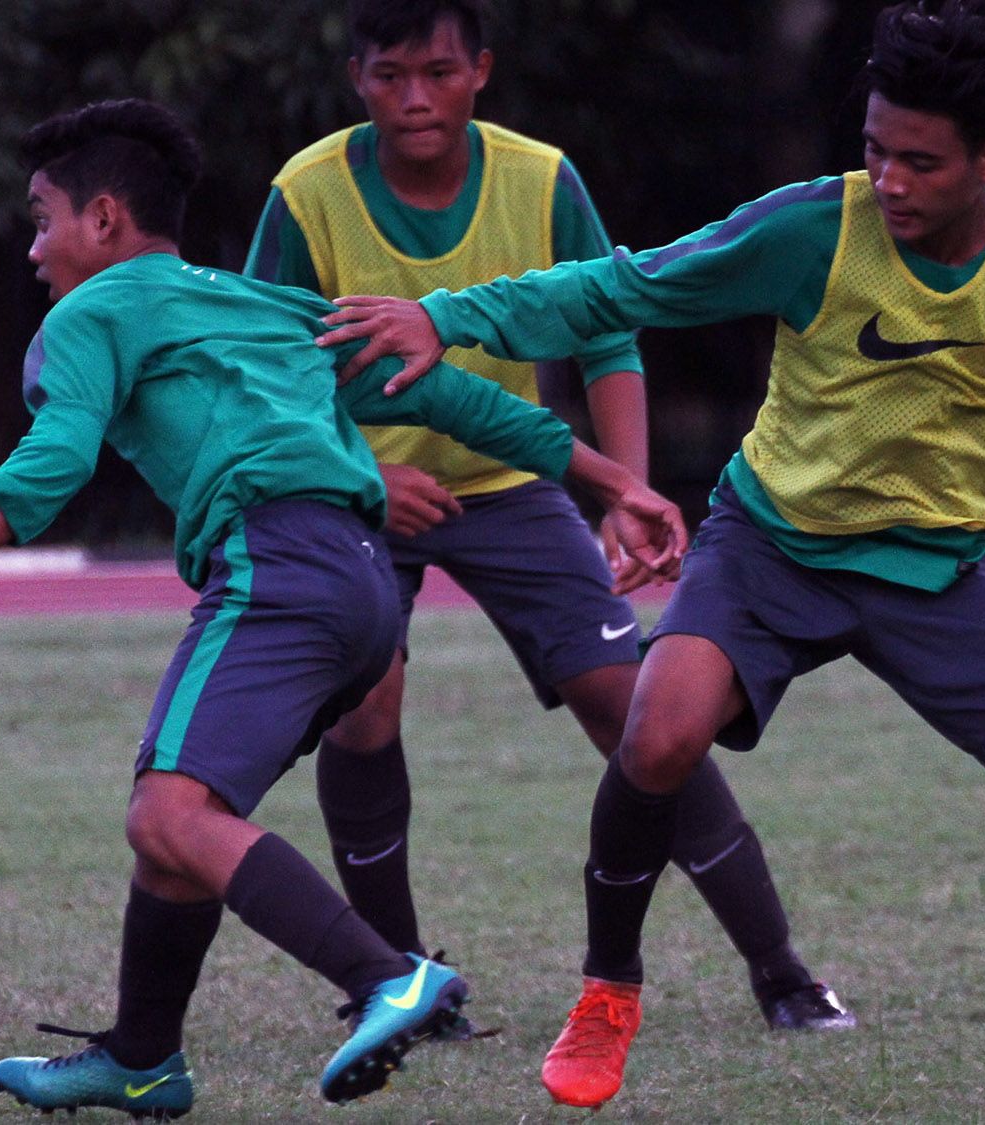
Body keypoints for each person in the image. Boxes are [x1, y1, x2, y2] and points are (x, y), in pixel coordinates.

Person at [317, 1, 985, 1113]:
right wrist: (448, 315)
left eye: (920, 162)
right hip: (768, 546)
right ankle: (607, 994)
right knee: (657, 731)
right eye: (874, 150)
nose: (890, 181)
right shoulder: (811, 227)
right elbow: (624, 286)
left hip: (935, 570)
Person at [0, 97, 686, 1119]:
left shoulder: (87, 316)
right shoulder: (259, 306)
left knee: (168, 811)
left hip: (278, 566)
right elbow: (449, 396)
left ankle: (385, 978)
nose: (34, 250)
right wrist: (610, 482)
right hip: (366, 581)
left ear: (102, 221)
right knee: (179, 830)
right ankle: (140, 1058)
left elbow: (52, 461)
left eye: (42, 219)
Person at [245, 0, 854, 1043]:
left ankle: (783, 975)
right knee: (364, 703)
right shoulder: (305, 193)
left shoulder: (540, 176)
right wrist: (362, 473)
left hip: (515, 482)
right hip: (358, 489)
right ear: (356, 79)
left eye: (438, 71)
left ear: (479, 70)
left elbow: (608, 336)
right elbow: (260, 372)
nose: (416, 97)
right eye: (390, 75)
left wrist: (622, 491)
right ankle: (395, 987)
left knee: (639, 704)